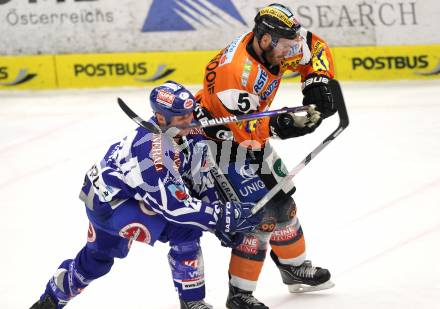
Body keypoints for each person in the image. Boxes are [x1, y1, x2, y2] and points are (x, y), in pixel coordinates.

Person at [30, 81, 263, 309]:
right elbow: (174, 207)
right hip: (111, 204)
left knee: (97, 261)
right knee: (185, 230)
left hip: (120, 194)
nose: (190, 121)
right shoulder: (151, 153)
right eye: (182, 117)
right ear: (161, 117)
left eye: (190, 114)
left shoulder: (188, 132)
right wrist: (220, 216)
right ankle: (192, 301)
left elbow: (199, 179)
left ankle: (51, 298)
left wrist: (216, 216)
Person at [195, 3, 337, 308]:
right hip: (217, 144)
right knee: (259, 217)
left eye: (291, 44)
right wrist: (284, 125)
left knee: (284, 206)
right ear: (264, 39)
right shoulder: (236, 76)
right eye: (285, 46)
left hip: (247, 131)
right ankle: (239, 295)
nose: (291, 53)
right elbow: (248, 133)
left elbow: (315, 46)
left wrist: (318, 80)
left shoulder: (274, 45)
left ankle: (294, 268)